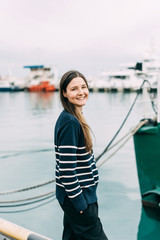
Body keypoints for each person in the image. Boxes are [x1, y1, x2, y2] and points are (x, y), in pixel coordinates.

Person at [54, 70, 108, 240]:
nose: (81, 92)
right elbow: (66, 170)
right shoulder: (70, 121)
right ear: (64, 93)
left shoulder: (74, 117)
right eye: (74, 89)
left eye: (83, 87)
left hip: (79, 197)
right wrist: (81, 204)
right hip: (78, 198)